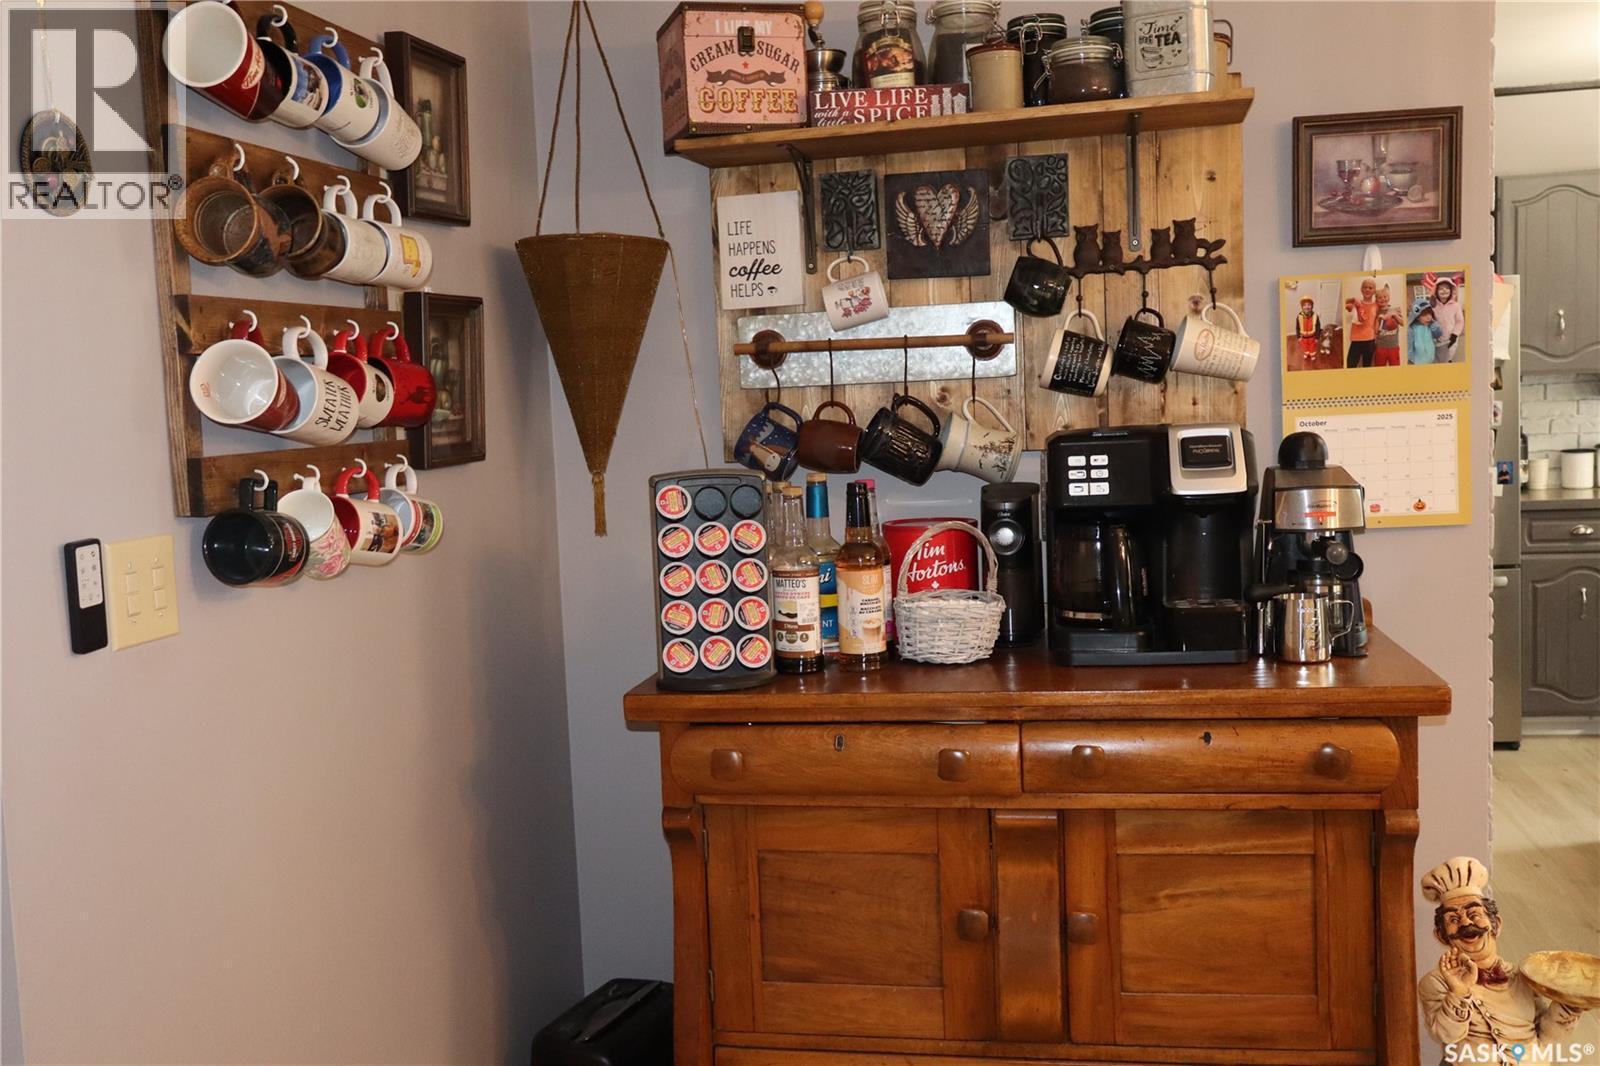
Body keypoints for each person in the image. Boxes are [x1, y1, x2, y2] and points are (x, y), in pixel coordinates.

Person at [1417, 857, 1585, 1063]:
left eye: (1474, 913)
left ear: (1495, 924)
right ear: (1442, 936)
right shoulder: (1435, 983)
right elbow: (1447, 1035)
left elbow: (1546, 1037)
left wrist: (1569, 1004)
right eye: (1453, 919)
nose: (1466, 923)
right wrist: (1458, 992)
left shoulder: (1522, 977)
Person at [1344, 277, 1379, 368]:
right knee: (1350, 365)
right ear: (1361, 289)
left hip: (1370, 341)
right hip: (1356, 340)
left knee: (1367, 366)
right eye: (1365, 287)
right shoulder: (1356, 303)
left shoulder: (1376, 306)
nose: (1367, 289)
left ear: (1375, 291)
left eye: (1370, 288)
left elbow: (1379, 318)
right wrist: (1353, 299)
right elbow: (1346, 304)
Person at [1430, 278, 1464, 363]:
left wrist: (1455, 335)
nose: (1444, 290)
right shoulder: (1433, 306)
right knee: (1438, 359)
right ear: (1436, 291)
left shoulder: (1456, 306)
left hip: (1451, 338)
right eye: (1441, 288)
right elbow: (1429, 320)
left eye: (1447, 288)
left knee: (1448, 358)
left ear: (1451, 291)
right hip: (1437, 339)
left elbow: (1459, 321)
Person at [1374, 286, 1403, 367]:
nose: (1383, 299)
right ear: (1376, 300)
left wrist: (1394, 315)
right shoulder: (1375, 312)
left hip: (1394, 346)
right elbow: (1376, 331)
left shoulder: (1395, 309)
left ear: (1388, 298)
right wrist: (1378, 318)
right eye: (1380, 298)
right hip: (1380, 347)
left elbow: (1403, 323)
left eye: (1385, 297)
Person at [1409, 298, 1441, 365]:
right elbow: (1409, 348)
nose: (1429, 317)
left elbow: (1438, 334)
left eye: (1430, 314)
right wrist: (1410, 361)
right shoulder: (1411, 329)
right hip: (1418, 363)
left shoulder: (1430, 325)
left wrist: (1434, 325)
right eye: (1424, 315)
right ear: (1417, 316)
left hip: (1431, 360)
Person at [1293, 296, 1321, 371]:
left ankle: (1312, 355)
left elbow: (1318, 327)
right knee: (1305, 346)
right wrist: (1298, 336)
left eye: (1309, 305)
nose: (1307, 307)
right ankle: (1306, 353)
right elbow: (1297, 327)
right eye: (1305, 305)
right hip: (1303, 336)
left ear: (1312, 306)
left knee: (1312, 346)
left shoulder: (1315, 316)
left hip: (1312, 336)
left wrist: (1317, 337)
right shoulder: (1299, 316)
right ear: (1302, 307)